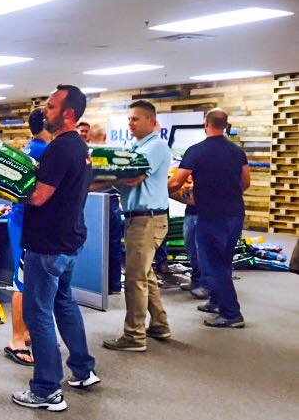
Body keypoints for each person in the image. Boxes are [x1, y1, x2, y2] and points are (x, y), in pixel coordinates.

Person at [11, 85, 99, 412]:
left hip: (47, 246)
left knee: (38, 313)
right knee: (64, 303)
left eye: (50, 107)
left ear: (68, 114)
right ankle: (83, 369)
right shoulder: (79, 147)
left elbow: (38, 197)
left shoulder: (60, 148)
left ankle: (47, 389)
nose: (44, 112)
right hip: (68, 242)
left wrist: (6, 185)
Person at [169, 108, 250, 328]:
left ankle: (232, 313)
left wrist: (171, 192)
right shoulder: (236, 151)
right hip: (234, 213)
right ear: (226, 125)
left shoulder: (196, 151)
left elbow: (176, 182)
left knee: (212, 265)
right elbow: (246, 182)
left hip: (210, 215)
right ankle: (216, 302)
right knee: (223, 261)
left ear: (206, 123)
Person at [103, 100, 172, 352]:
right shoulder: (134, 146)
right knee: (145, 274)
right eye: (129, 119)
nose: (130, 123)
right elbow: (119, 176)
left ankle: (134, 336)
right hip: (136, 218)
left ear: (151, 121)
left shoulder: (155, 146)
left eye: (135, 119)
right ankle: (160, 325)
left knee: (134, 278)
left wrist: (97, 179)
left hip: (148, 219)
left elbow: (133, 178)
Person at [3, 107, 50, 367]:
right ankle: (17, 340)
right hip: (25, 222)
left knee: (29, 280)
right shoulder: (42, 151)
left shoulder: (32, 148)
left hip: (26, 221)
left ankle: (28, 332)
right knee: (21, 281)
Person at [84, 124, 123, 293]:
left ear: (89, 138)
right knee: (114, 246)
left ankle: (99, 287)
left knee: (95, 246)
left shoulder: (89, 155)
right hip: (113, 203)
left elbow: (87, 182)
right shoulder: (113, 154)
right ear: (105, 137)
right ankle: (114, 285)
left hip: (94, 205)